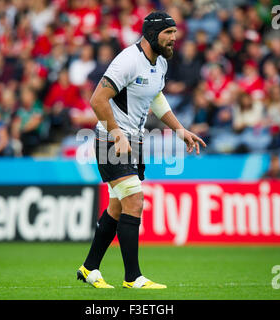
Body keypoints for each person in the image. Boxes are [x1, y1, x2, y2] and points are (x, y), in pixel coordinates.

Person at [77, 11, 206, 290]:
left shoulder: (159, 63)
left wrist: (179, 130)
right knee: (134, 200)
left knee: (117, 206)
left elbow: (155, 97)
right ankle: (132, 277)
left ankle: (89, 269)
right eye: (168, 33)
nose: (174, 39)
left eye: (175, 33)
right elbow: (97, 99)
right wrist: (116, 134)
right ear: (151, 34)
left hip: (133, 143)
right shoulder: (128, 60)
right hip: (111, 142)